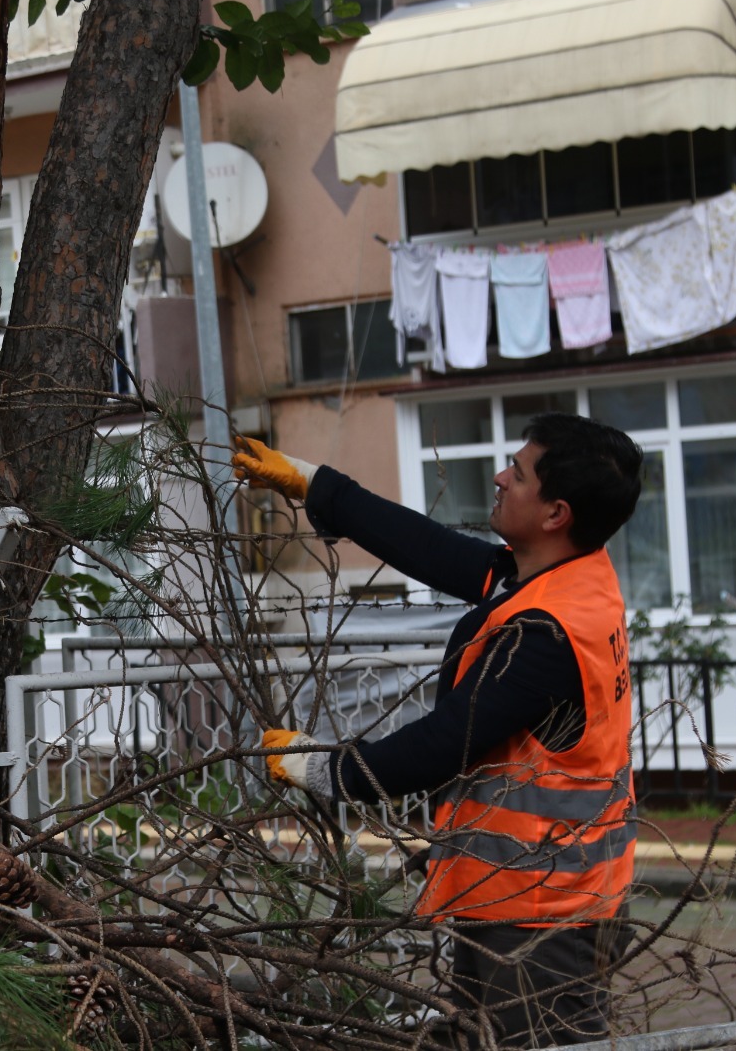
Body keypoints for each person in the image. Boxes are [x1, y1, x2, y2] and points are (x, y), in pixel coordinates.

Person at [233, 413, 643, 1049]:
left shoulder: (546, 636)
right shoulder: (568, 576)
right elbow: (431, 549)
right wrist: (315, 485)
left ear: (556, 512)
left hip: (541, 912)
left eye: (521, 472)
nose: (502, 477)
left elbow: (437, 747)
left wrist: (321, 767)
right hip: (525, 891)